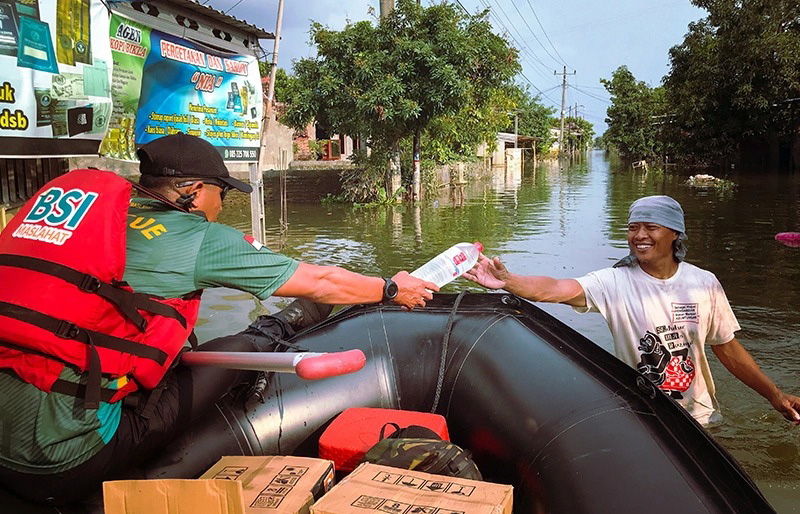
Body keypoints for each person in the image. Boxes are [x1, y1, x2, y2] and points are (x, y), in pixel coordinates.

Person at [0, 133, 438, 506]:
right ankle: (279, 328)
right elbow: (321, 281)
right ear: (191, 191)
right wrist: (391, 289)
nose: (222, 204)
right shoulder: (198, 237)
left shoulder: (90, 224)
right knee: (236, 351)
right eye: (221, 192)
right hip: (63, 459)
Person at [464, 195, 800, 426]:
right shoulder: (614, 282)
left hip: (699, 420)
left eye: (650, 227)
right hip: (643, 418)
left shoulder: (704, 283)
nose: (639, 235)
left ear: (674, 234)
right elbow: (554, 289)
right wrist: (508, 281)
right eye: (633, 227)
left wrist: (774, 395)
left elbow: (727, 349)